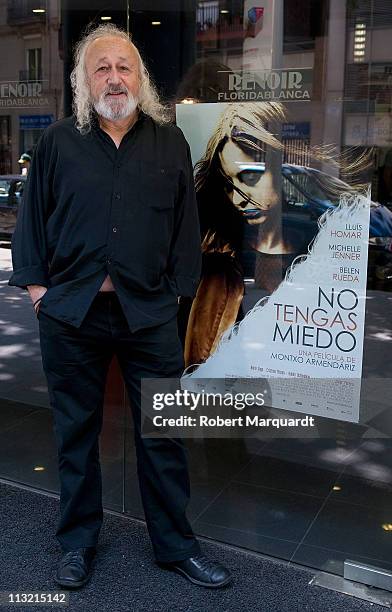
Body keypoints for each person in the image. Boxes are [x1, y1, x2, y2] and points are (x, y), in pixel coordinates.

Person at [8, 23, 231, 590]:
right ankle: (77, 542)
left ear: (140, 77)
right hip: (70, 316)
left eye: (123, 66)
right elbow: (32, 224)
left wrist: (178, 295)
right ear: (85, 80)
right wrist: (39, 294)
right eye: (101, 67)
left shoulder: (168, 142)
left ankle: (175, 547)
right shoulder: (59, 142)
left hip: (148, 314)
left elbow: (187, 226)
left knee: (162, 435)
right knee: (75, 436)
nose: (114, 76)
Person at [184, 102, 315, 367]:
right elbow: (201, 361)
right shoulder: (218, 260)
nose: (237, 198)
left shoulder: (312, 237)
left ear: (279, 169)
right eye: (229, 183)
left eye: (250, 177)